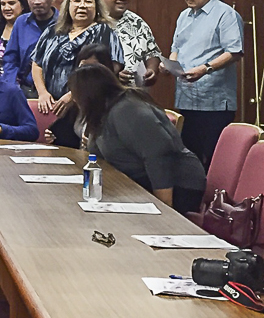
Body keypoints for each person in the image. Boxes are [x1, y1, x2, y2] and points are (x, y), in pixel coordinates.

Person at [70, 64, 206, 213]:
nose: (74, 99)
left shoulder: (126, 109)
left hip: (178, 186)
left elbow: (158, 155)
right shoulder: (103, 112)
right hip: (135, 185)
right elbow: (97, 157)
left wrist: (164, 207)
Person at [171, 0, 244, 167]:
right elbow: (176, 47)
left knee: (213, 162)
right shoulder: (184, 16)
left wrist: (205, 69)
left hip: (214, 103)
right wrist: (171, 63)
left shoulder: (225, 14)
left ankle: (212, 199)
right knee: (187, 162)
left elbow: (234, 52)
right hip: (186, 99)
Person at [32, 0, 124, 116]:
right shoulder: (52, 30)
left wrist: (73, 95)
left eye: (88, 1)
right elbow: (36, 64)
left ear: (97, 7)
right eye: (77, 1)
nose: (82, 6)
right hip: (48, 105)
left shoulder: (105, 32)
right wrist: (42, 93)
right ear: (68, 5)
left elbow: (111, 68)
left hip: (86, 107)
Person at [44, 43, 118, 149]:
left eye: (93, 67)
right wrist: (53, 137)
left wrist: (96, 146)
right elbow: (63, 136)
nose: (86, 72)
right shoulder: (75, 98)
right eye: (83, 66)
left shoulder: (113, 103)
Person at [1, 0, 59, 96]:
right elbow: (10, 59)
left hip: (56, 92)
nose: (37, 1)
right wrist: (12, 87)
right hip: (26, 90)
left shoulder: (64, 23)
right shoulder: (21, 23)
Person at [102, 0, 161, 87]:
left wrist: (151, 70)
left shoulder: (137, 22)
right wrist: (113, 75)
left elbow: (152, 53)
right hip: (104, 95)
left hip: (135, 96)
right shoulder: (93, 21)